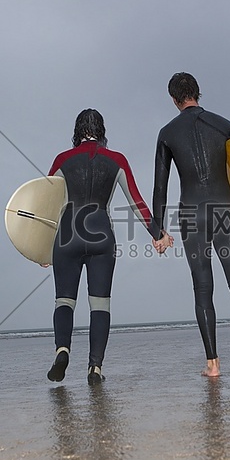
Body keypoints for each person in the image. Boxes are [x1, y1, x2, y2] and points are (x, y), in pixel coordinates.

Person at [152, 72, 230, 378]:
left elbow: (160, 187)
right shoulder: (224, 125)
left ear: (174, 100)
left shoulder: (167, 133)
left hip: (190, 214)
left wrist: (157, 230)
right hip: (225, 210)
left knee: (202, 288)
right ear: (198, 93)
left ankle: (213, 364)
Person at [45, 109, 161, 384]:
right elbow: (136, 201)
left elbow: (45, 203)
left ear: (77, 130)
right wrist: (157, 234)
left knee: (64, 300)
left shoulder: (62, 160)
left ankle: (62, 350)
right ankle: (95, 367)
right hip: (101, 236)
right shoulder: (116, 160)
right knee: (100, 304)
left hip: (67, 235)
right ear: (102, 131)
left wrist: (40, 247)